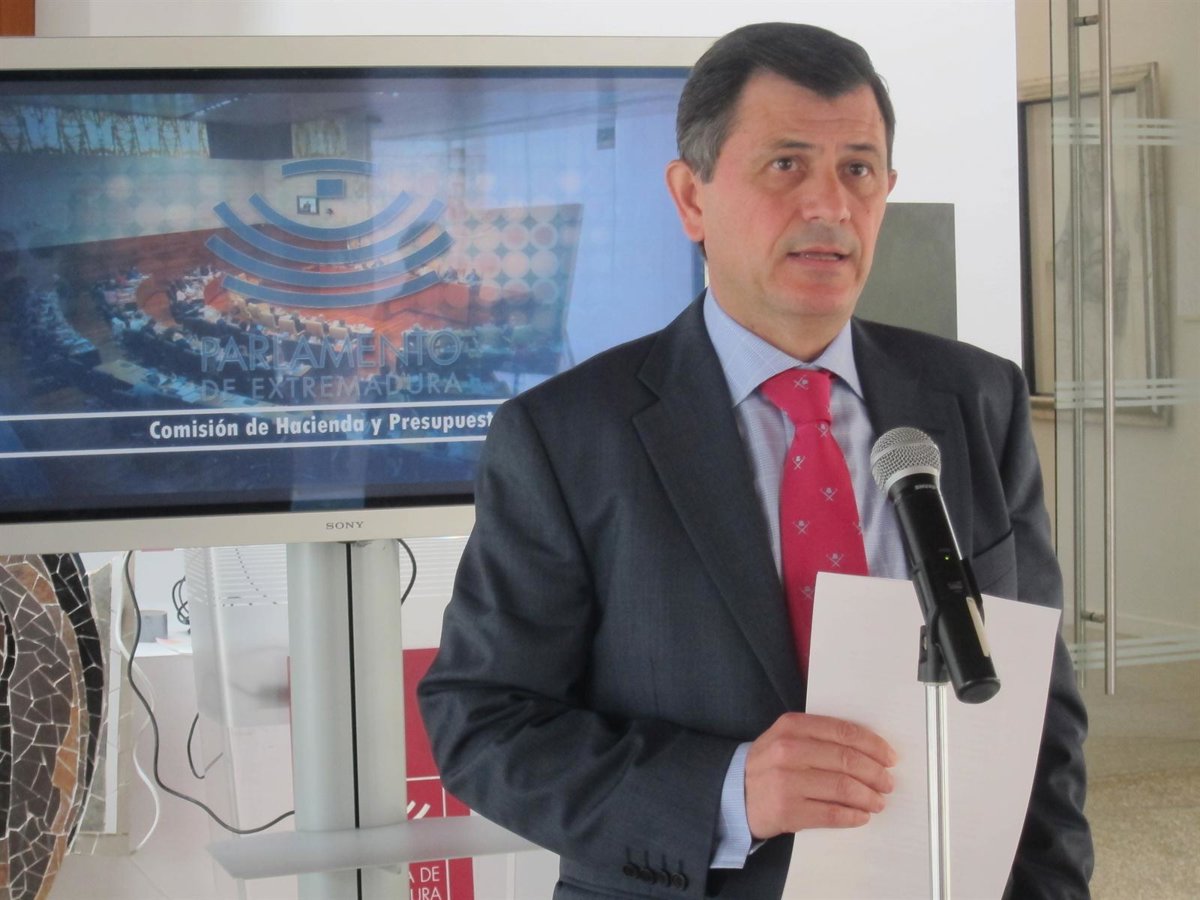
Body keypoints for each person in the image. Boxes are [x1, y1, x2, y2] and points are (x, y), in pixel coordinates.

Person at [418, 22, 1092, 899]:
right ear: (691, 198)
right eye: (785, 165)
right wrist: (731, 791)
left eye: (859, 169)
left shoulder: (976, 399)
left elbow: (1041, 710)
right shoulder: (566, 436)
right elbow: (482, 722)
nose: (830, 205)